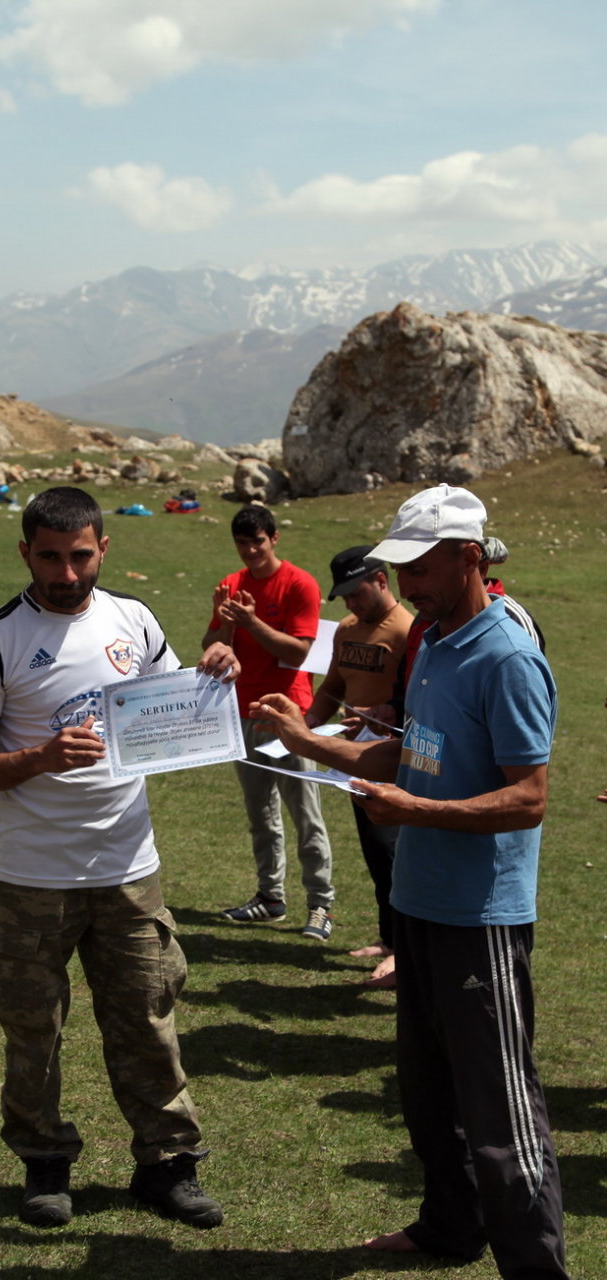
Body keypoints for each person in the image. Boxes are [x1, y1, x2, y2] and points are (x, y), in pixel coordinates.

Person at [249, 484, 570, 1279]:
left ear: (469, 558)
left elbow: (527, 797)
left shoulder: (507, 655)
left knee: (499, 1113)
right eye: (401, 569)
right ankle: (449, 1228)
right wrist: (303, 739)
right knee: (428, 1098)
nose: (406, 584)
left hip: (479, 916)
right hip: (417, 904)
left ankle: (535, 1268)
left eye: (420, 568)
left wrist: (417, 810)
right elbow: (405, 752)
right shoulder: (431, 640)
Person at [0, 486, 236, 1231]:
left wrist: (214, 672)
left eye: (80, 556)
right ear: (25, 552)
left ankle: (168, 1166)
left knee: (147, 1019)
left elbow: (172, 713)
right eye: (49, 557)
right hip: (32, 876)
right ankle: (44, 1163)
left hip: (127, 870)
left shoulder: (133, 620)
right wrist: (41, 757)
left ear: (103, 549)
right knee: (33, 1030)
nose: (66, 573)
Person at [202, 504, 334, 939]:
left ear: (273, 538)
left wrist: (251, 621)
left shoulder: (299, 584)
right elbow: (211, 647)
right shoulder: (232, 583)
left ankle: (321, 904)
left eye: (257, 542)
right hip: (242, 710)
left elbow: (299, 651)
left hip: (287, 714)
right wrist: (225, 623)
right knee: (260, 811)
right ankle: (270, 897)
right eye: (242, 543)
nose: (250, 551)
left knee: (304, 811)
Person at [304, 546, 412, 984]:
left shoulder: (408, 630)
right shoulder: (346, 630)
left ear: (381, 581)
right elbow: (332, 687)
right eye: (344, 596)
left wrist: (385, 714)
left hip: (396, 762)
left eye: (356, 592)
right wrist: (307, 724)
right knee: (376, 854)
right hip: (356, 761)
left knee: (395, 855)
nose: (350, 603)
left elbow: (416, 698)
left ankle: (406, 951)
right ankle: (390, 939)